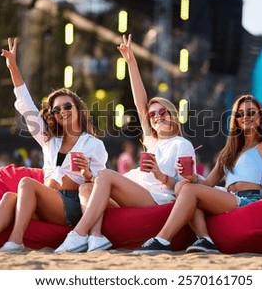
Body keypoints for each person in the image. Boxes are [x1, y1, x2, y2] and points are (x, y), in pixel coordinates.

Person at [133, 42, 262, 253]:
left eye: (251, 112)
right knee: (183, 187)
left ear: (260, 117)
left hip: (251, 201)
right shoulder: (229, 152)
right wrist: (189, 176)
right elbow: (208, 183)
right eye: (240, 114)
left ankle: (162, 239)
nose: (245, 117)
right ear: (236, 120)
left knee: (188, 189)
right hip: (228, 197)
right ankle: (204, 240)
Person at [54, 34, 198, 253]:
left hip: (157, 198)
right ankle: (96, 237)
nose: (156, 117)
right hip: (138, 191)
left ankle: (78, 234)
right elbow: (141, 103)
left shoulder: (181, 144)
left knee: (105, 175)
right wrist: (131, 62)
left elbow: (184, 185)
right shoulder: (152, 141)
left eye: (162, 112)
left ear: (173, 115)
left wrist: (159, 174)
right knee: (86, 185)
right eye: (152, 116)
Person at [0, 37, 108, 252]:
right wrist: (13, 66)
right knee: (9, 197)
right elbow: (26, 104)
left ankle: (16, 240)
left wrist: (86, 172)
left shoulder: (93, 144)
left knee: (27, 183)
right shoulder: (49, 140)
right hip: (47, 201)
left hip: (72, 204)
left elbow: (98, 187)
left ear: (78, 109)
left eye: (67, 106)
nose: (62, 111)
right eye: (56, 110)